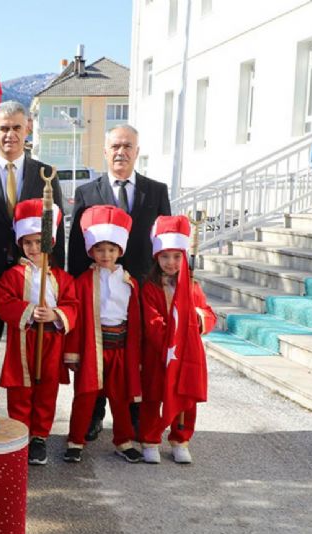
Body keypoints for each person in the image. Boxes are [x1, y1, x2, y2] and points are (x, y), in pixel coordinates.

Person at [66, 124, 172, 443]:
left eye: (127, 146)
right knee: (96, 356)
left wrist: (166, 284)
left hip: (139, 289)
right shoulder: (87, 192)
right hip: (97, 291)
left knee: (136, 358)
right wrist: (76, 290)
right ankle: (93, 416)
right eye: (115, 146)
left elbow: (163, 241)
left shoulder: (156, 191)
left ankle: (134, 416)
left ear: (137, 151)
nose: (121, 152)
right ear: (105, 151)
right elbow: (75, 246)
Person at [0, 101, 63, 414]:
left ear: (27, 128)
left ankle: (31, 424)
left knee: (31, 354)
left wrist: (56, 280)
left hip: (31, 281)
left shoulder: (46, 175)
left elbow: (53, 230)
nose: (10, 135)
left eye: (16, 127)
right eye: (3, 128)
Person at [0, 199, 78, 466]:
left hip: (51, 340)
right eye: (27, 242)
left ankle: (40, 436)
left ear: (50, 243)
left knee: (47, 388)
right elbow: (2, 302)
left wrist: (56, 314)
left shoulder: (62, 278)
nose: (32, 248)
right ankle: (21, 434)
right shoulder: (12, 275)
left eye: (38, 242)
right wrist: (29, 310)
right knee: (21, 387)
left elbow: (73, 304)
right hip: (24, 338)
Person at [63, 206, 142, 464]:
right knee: (85, 396)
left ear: (120, 251)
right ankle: (75, 440)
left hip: (120, 346)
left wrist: (137, 354)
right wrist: (72, 353)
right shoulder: (83, 282)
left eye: (111, 249)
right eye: (99, 249)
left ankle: (123, 440)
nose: (105, 255)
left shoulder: (130, 282)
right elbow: (75, 319)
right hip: (92, 347)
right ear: (91, 251)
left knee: (121, 397)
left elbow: (136, 321)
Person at [138, 216, 216, 464]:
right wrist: (171, 339)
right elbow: (152, 323)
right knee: (153, 396)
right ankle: (150, 439)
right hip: (159, 352)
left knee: (185, 396)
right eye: (165, 257)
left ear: (184, 257)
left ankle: (180, 438)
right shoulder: (150, 288)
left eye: (176, 257)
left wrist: (196, 318)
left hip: (187, 353)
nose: (170, 263)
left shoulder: (192, 287)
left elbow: (208, 315)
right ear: (156, 258)